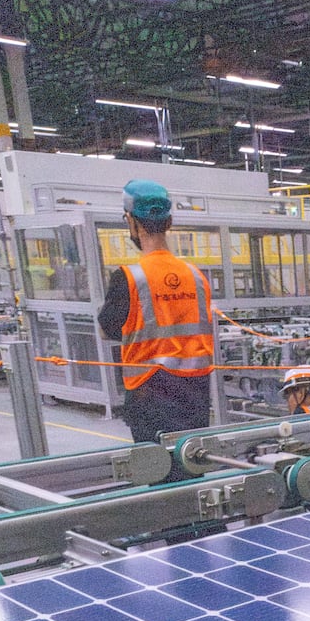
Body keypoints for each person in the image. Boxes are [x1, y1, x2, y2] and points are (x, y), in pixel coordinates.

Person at [97, 179, 215, 443]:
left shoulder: (127, 278)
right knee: (192, 462)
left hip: (147, 393)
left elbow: (108, 331)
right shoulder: (196, 276)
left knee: (156, 470)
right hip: (195, 392)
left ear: (131, 221)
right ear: (169, 222)